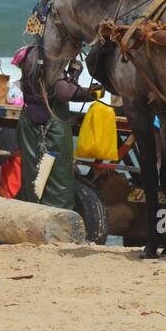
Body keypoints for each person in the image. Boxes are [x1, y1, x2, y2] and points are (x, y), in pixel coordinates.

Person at [14, 44, 97, 209]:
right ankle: (57, 217)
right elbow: (64, 93)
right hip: (51, 128)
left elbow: (54, 88)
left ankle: (32, 215)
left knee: (32, 179)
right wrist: (92, 93)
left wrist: (72, 76)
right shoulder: (51, 56)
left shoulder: (30, 52)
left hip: (31, 122)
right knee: (58, 181)